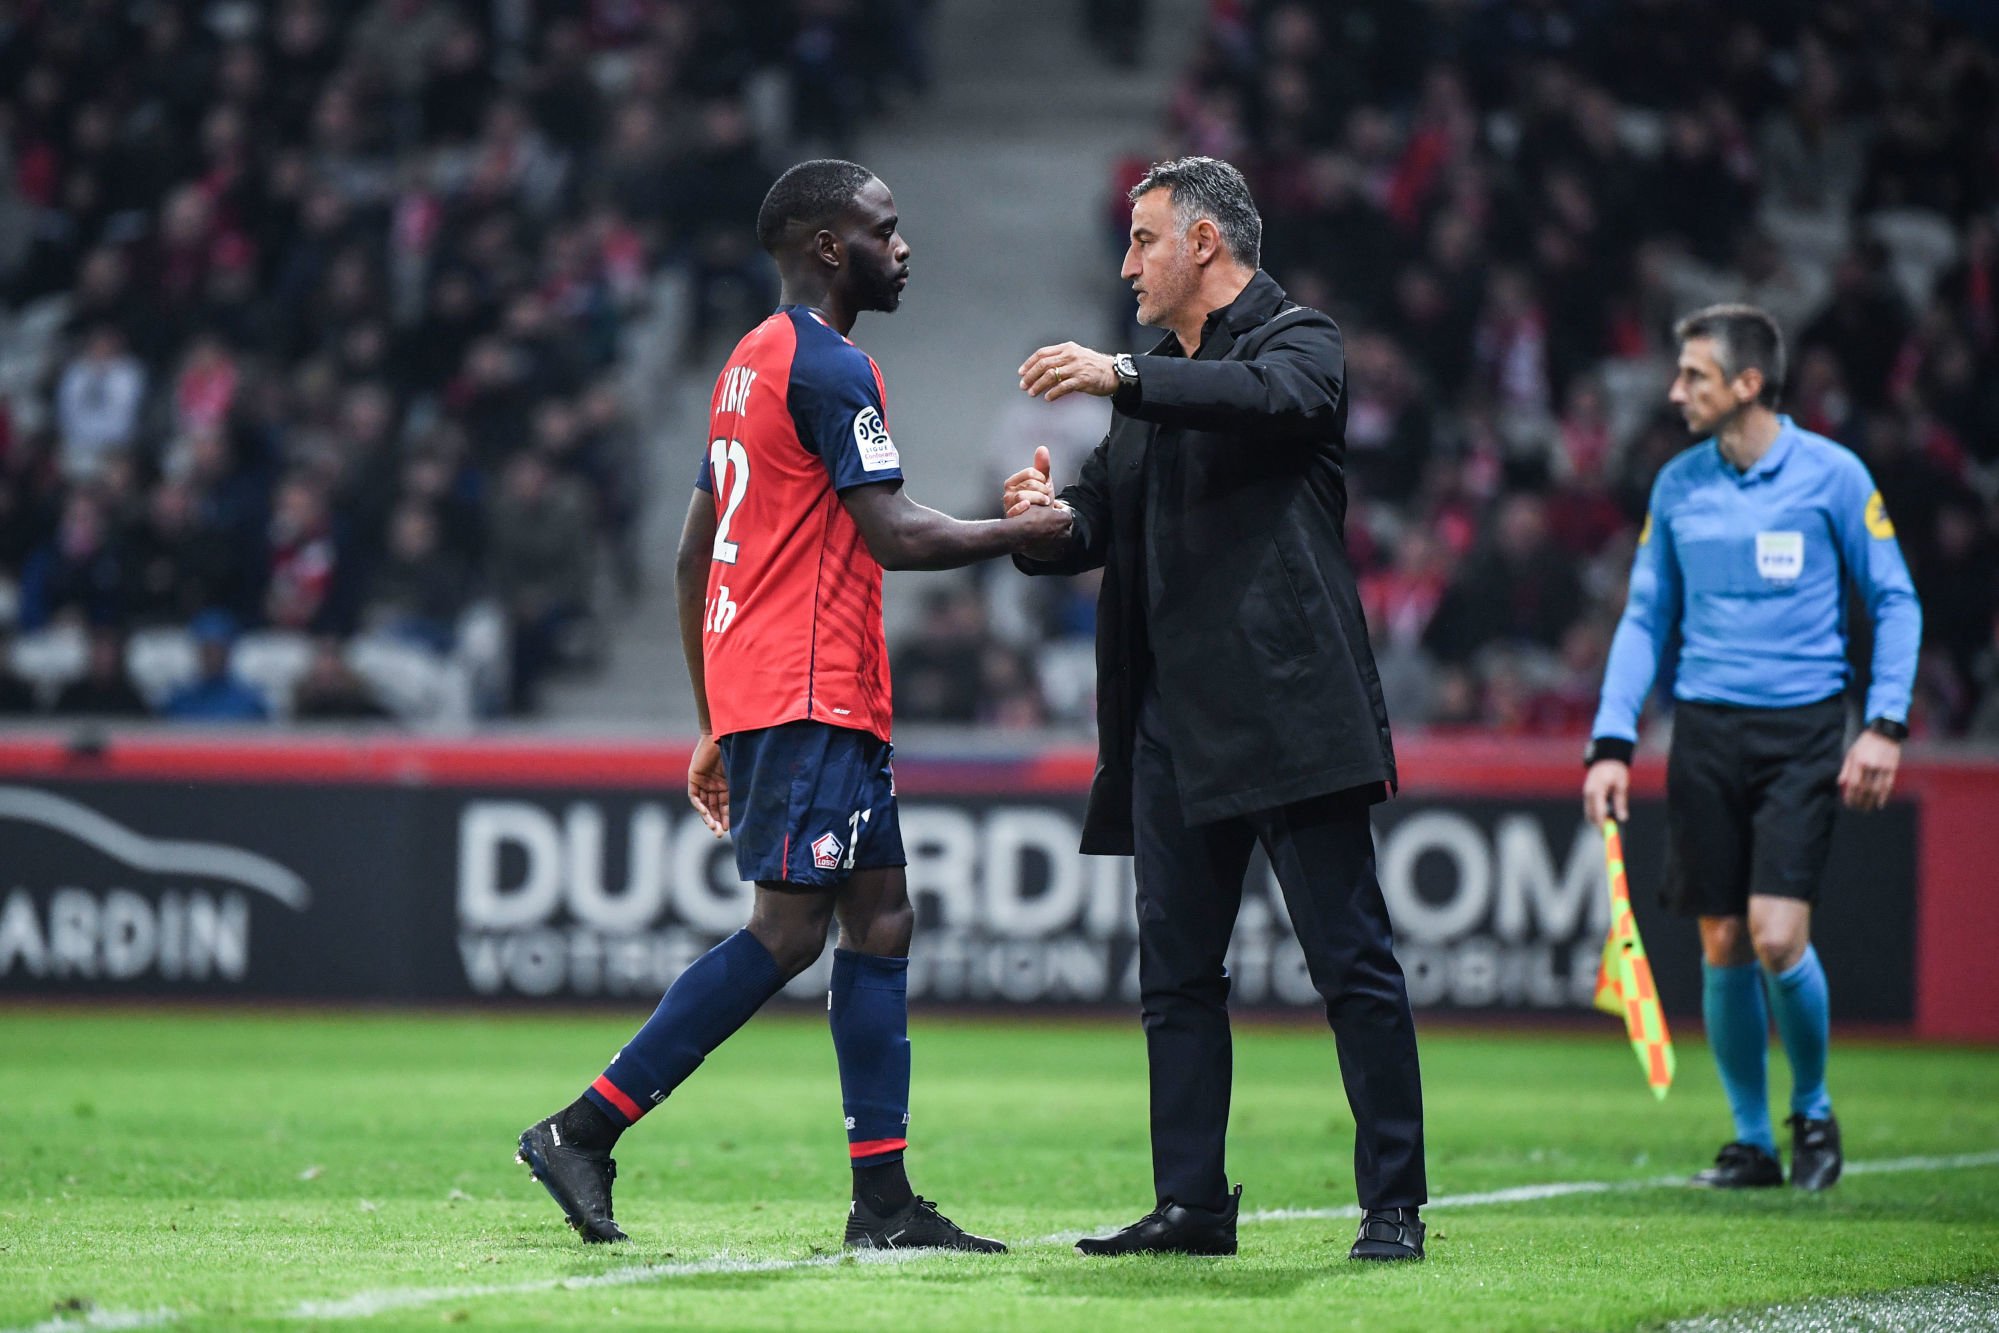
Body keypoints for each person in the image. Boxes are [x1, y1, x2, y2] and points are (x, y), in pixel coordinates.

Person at [516, 159, 1070, 1250]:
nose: (902, 248)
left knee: (882, 915)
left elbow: (693, 553)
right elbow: (893, 534)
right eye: (884, 229)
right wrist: (1024, 533)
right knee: (785, 932)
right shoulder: (831, 367)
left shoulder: (748, 363)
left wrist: (712, 716)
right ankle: (582, 1129)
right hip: (809, 684)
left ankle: (884, 1205)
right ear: (829, 246)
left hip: (793, 687)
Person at [1002, 156, 1427, 1262]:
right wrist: (1044, 523)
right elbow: (1098, 521)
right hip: (1171, 725)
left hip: (1289, 711)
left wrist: (1120, 377)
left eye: (1143, 239)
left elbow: (1273, 401)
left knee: (1350, 965)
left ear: (1203, 242)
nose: (1127, 264)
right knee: (1176, 979)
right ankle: (1190, 1203)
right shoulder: (1151, 387)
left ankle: (1392, 1204)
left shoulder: (1299, 340)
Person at [1582, 304, 1921, 1192]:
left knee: (1775, 934)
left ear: (1747, 383)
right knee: (1723, 938)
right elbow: (1644, 617)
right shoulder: (1677, 485)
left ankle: (1810, 1108)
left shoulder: (1833, 477)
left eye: (1693, 375)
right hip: (1703, 730)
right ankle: (1749, 1141)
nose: (1674, 391)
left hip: (1800, 729)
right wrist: (1611, 739)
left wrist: (1884, 722)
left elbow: (1894, 599)